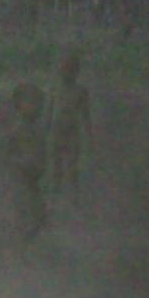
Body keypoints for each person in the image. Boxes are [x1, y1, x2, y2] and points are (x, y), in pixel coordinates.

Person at [2, 81, 50, 243]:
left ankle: (22, 245)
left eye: (39, 103)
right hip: (22, 181)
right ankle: (19, 250)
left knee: (41, 217)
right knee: (25, 216)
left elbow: (42, 151)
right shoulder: (19, 129)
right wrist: (20, 162)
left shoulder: (37, 129)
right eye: (31, 103)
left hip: (33, 181)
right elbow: (8, 153)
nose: (36, 107)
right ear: (18, 105)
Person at [49, 48, 93, 195]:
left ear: (76, 72)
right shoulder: (55, 88)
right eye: (64, 69)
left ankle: (74, 193)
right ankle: (56, 192)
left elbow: (85, 114)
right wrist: (46, 129)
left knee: (72, 164)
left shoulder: (80, 91)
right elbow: (50, 109)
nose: (66, 73)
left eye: (70, 70)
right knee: (57, 164)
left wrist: (89, 133)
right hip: (57, 130)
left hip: (72, 131)